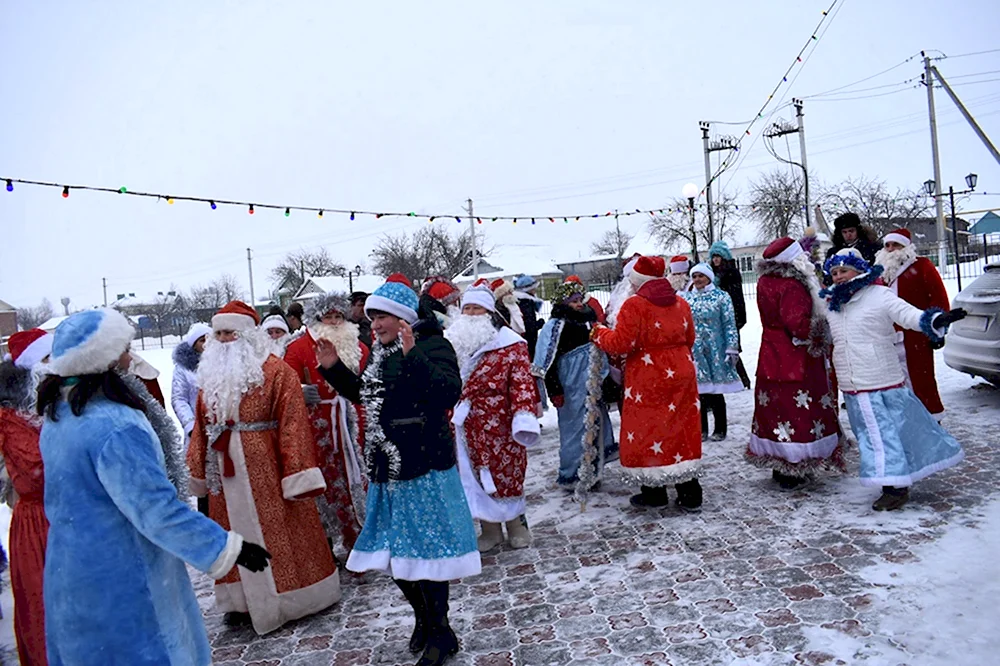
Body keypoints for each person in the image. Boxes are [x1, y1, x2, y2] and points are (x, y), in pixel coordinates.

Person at [36, 308, 271, 665]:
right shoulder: (116, 426)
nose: (131, 356)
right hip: (125, 578)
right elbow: (156, 511)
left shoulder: (58, 417)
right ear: (106, 359)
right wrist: (227, 548)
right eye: (125, 348)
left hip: (71, 573)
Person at [315, 273, 479, 666]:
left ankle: (442, 633)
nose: (376, 326)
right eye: (372, 320)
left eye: (382, 318)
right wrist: (335, 369)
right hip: (387, 467)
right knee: (396, 556)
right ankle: (423, 619)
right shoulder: (379, 351)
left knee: (429, 555)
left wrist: (413, 354)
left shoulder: (434, 344)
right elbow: (368, 397)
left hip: (424, 463)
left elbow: (446, 393)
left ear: (403, 318)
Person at [187, 301, 340, 634]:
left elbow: (293, 424)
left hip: (268, 472)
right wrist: (197, 471)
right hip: (225, 474)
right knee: (231, 536)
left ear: (248, 334)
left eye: (231, 332)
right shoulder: (208, 377)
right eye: (219, 333)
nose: (225, 339)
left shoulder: (275, 371)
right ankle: (240, 602)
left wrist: (297, 473)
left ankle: (295, 597)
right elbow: (200, 427)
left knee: (279, 532)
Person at [821, 249, 967, 511]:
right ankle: (896, 477)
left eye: (844, 271)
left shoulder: (879, 295)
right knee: (872, 436)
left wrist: (933, 319)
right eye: (834, 272)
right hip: (852, 385)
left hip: (880, 379)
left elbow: (907, 314)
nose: (839, 276)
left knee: (884, 435)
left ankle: (895, 488)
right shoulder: (832, 304)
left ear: (859, 270)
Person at [591, 257, 704, 511]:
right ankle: (690, 492)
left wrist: (598, 333)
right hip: (681, 372)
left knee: (648, 430)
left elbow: (621, 343)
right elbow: (690, 337)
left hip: (648, 376)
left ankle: (654, 492)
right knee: (680, 428)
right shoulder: (681, 303)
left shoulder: (635, 305)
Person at [445, 281, 540, 552]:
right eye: (468, 309)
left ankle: (516, 525)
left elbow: (522, 383)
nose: (471, 314)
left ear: (489, 313)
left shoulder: (511, 346)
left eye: (478, 309)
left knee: (506, 473)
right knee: (474, 475)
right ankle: (489, 528)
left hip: (501, 423)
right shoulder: (452, 343)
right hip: (466, 425)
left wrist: (523, 417)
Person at [746, 237, 843, 490]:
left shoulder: (765, 281)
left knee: (776, 409)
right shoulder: (792, 284)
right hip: (796, 357)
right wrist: (822, 330)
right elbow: (798, 325)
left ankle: (781, 465)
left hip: (771, 352)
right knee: (798, 411)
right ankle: (796, 466)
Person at [283, 292, 370, 557]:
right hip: (315, 428)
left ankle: (359, 538)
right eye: (328, 317)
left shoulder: (359, 347)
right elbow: (286, 386)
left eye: (338, 316)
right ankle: (325, 546)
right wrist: (301, 390)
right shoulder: (297, 349)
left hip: (351, 422)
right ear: (316, 319)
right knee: (322, 486)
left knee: (353, 479)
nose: (333, 322)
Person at [532, 278, 615, 495]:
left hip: (592, 381)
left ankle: (593, 470)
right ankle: (572, 473)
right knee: (574, 430)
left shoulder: (589, 321)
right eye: (573, 301)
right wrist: (555, 390)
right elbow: (547, 362)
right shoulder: (555, 326)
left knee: (595, 425)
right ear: (563, 303)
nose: (578, 304)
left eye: (580, 299)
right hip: (570, 385)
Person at [0, 329, 52, 666]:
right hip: (38, 524)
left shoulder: (49, 409)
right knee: (44, 605)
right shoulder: (9, 419)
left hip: (65, 516)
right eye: (48, 359)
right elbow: (38, 471)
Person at [875, 227, 951, 419]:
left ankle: (931, 417)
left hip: (916, 334)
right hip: (888, 336)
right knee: (894, 381)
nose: (891, 249)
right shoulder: (880, 272)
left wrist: (938, 329)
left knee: (921, 378)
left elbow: (938, 297)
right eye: (888, 245)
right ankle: (904, 419)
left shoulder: (922, 266)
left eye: (896, 245)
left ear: (906, 246)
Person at [681, 263, 744, 441]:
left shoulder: (721, 297)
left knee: (716, 390)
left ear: (709, 277)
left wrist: (732, 347)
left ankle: (720, 429)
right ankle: (701, 429)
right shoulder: (687, 299)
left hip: (716, 349)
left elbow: (729, 323)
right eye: (694, 277)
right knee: (699, 391)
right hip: (696, 350)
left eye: (701, 276)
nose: (697, 280)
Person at [709, 241, 751, 389]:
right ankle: (731, 380)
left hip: (732, 315)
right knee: (722, 348)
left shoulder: (731, 273)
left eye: (718, 256)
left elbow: (737, 297)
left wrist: (737, 317)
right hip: (717, 316)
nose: (715, 259)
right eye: (713, 256)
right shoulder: (712, 274)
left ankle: (744, 379)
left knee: (733, 348)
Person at [513, 274, 544, 360]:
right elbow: (529, 327)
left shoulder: (521, 302)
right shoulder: (526, 303)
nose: (535, 291)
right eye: (533, 288)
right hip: (529, 341)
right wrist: (540, 323)